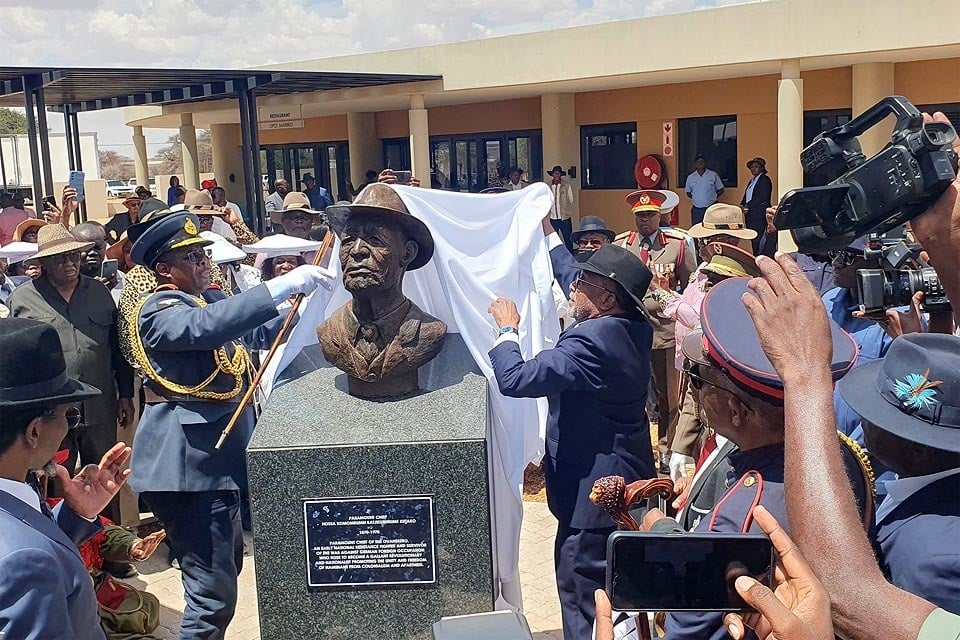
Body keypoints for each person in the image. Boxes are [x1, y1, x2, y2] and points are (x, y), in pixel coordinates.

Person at [125, 211, 332, 639]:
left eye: (204, 254)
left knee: (220, 578)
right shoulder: (158, 310)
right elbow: (203, 329)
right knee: (211, 595)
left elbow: (259, 332)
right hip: (187, 470)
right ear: (164, 269)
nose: (205, 263)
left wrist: (308, 303)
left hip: (217, 465)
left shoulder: (212, 301)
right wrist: (277, 287)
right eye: (193, 257)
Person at [742, 250, 960, 640]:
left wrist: (805, 371)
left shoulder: (930, 556)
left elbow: (847, 602)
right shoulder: (930, 484)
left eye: (883, 416)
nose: (866, 420)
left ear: (918, 449)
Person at [646, 275, 869, 640]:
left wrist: (659, 530)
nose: (695, 391)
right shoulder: (836, 454)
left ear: (736, 410)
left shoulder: (746, 511)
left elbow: (685, 624)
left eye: (700, 381)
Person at [488, 244, 656, 640]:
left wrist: (507, 329)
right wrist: (548, 232)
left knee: (584, 597)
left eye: (583, 282)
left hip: (594, 500)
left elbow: (517, 379)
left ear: (606, 298)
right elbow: (574, 277)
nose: (572, 288)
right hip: (625, 476)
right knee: (615, 592)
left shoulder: (591, 342)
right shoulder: (629, 326)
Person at [0, 317, 133, 640]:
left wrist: (77, 515)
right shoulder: (25, 560)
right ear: (34, 430)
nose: (66, 430)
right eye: (68, 416)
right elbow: (26, 553)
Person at [8, 224, 135, 517]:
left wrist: (125, 394)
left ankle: (113, 553)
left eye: (74, 256)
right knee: (54, 482)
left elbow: (117, 348)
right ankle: (68, 547)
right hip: (50, 411)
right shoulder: (22, 300)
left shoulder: (100, 294)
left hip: (99, 403)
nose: (70, 264)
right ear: (41, 265)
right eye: (60, 259)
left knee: (105, 477)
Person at [615, 189, 698, 472]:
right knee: (631, 393)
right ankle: (634, 451)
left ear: (661, 215)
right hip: (631, 331)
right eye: (640, 216)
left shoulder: (677, 244)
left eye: (650, 215)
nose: (645, 221)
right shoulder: (623, 245)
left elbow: (690, 288)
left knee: (668, 398)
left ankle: (666, 450)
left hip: (664, 331)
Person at [72, 221, 125, 303]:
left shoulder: (120, 278)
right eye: (87, 248)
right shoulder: (66, 284)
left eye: (98, 247)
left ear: (104, 247)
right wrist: (94, 294)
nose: (93, 253)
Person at [740, 157, 773, 253]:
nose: (753, 169)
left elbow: (762, 197)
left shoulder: (765, 180)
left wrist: (748, 205)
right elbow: (747, 195)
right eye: (751, 167)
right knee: (753, 240)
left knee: (759, 240)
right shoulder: (752, 181)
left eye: (756, 166)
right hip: (750, 215)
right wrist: (742, 205)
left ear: (762, 168)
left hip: (759, 216)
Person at [684, 155, 725, 226]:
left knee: (712, 227)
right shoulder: (690, 177)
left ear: (705, 163)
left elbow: (721, 189)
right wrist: (697, 198)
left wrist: (713, 197)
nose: (700, 163)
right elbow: (688, 192)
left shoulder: (713, 174)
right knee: (697, 228)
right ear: (695, 164)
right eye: (698, 162)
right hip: (697, 208)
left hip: (711, 207)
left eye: (702, 161)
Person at [546, 165, 574, 250]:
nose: (557, 176)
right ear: (552, 175)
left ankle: (571, 258)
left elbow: (571, 200)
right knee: (553, 241)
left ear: (561, 175)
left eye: (558, 174)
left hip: (564, 218)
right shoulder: (548, 186)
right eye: (555, 174)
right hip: (552, 218)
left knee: (568, 240)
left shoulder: (566, 186)